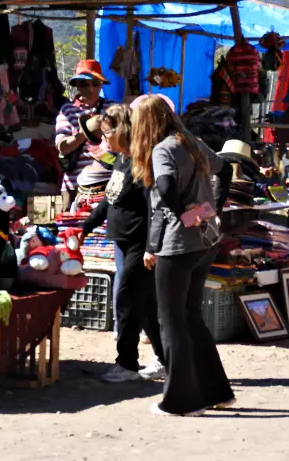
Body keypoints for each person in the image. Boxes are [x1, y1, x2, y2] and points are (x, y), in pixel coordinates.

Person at [131, 95, 234, 416]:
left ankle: (182, 401)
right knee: (190, 316)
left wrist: (184, 216)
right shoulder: (191, 142)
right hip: (205, 241)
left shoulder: (162, 149)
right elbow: (226, 169)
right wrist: (212, 209)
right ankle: (215, 391)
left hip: (178, 244)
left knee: (171, 320)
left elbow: (165, 187)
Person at [81, 102, 166, 384]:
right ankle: (165, 359)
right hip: (123, 241)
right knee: (146, 303)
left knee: (127, 301)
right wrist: (86, 226)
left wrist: (151, 247)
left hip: (139, 243)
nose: (104, 139)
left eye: (107, 133)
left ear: (122, 131)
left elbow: (154, 208)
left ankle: (127, 363)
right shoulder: (120, 159)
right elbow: (110, 199)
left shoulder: (142, 162)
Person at [55, 59, 118, 202]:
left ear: (101, 85)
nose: (91, 88)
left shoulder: (113, 108)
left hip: (108, 182)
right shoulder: (67, 110)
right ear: (77, 85)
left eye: (95, 83)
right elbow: (62, 147)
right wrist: (86, 131)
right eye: (84, 83)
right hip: (74, 184)